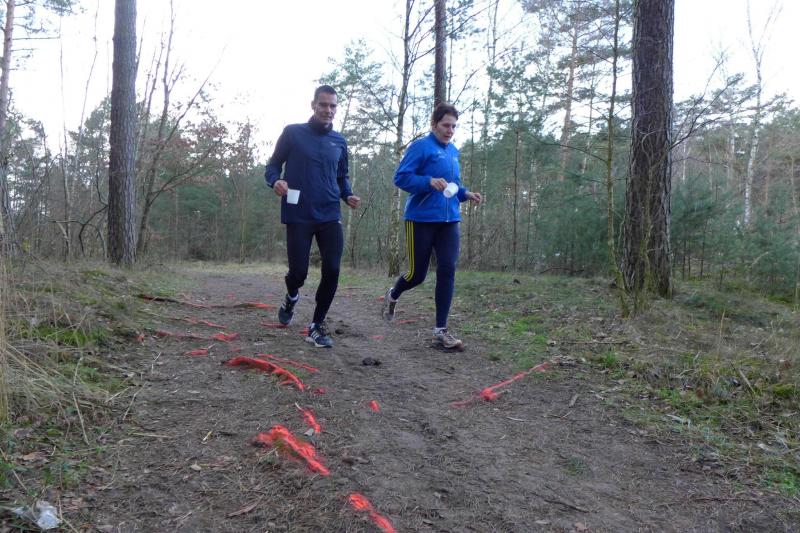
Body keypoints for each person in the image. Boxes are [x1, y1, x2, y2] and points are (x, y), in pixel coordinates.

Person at [265, 85, 361, 348]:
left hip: (329, 212)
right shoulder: (293, 133)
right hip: (299, 213)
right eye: (323, 105)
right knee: (299, 272)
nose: (328, 110)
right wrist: (275, 181)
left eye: (333, 106)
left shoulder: (339, 142)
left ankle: (316, 326)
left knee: (333, 268)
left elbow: (341, 176)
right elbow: (273, 165)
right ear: (313, 105)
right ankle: (291, 296)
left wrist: (347, 195)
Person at [381, 102, 482, 350]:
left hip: (450, 220)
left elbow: (453, 185)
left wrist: (466, 194)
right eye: (446, 125)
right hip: (421, 219)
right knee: (417, 275)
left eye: (454, 126)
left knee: (447, 270)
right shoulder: (421, 147)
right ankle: (393, 294)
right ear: (434, 124)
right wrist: (428, 181)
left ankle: (440, 331)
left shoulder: (453, 151)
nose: (450, 130)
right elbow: (401, 178)